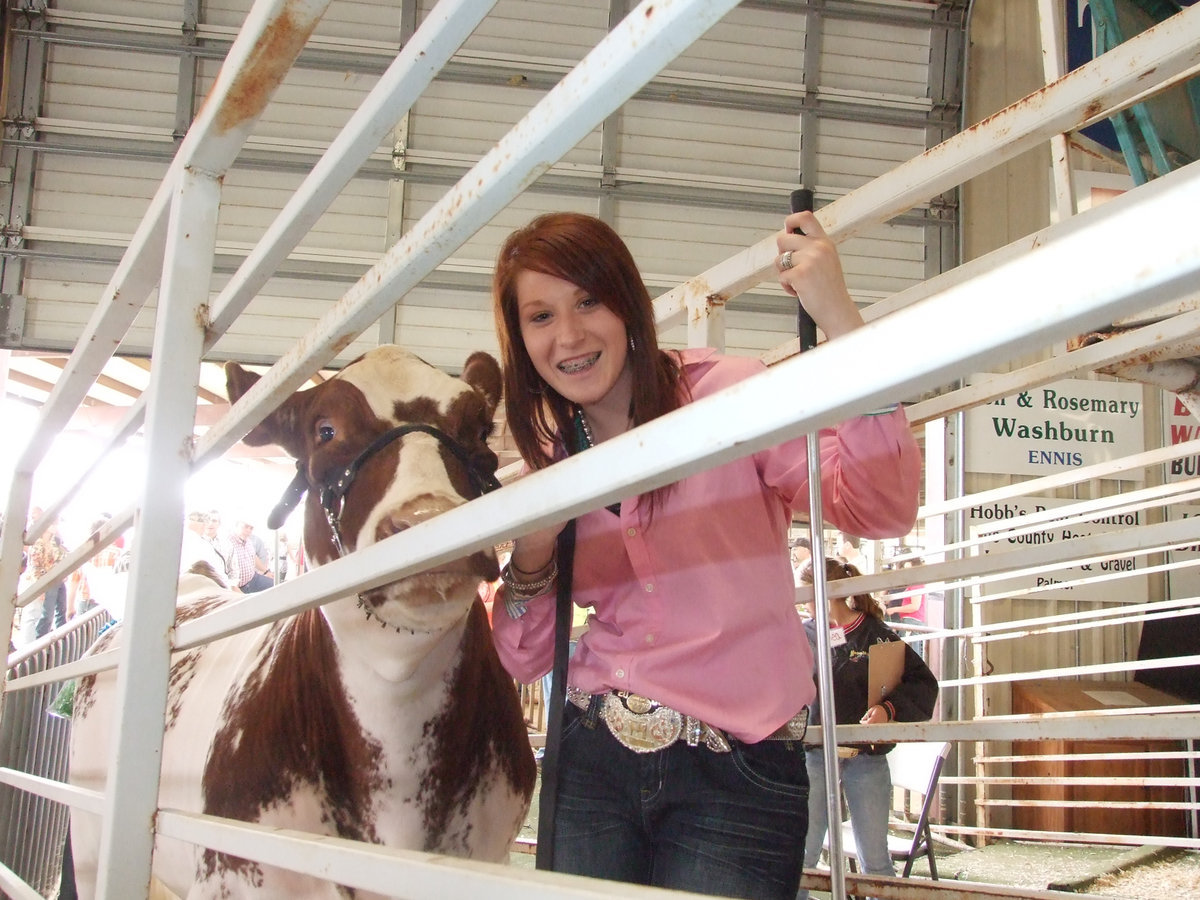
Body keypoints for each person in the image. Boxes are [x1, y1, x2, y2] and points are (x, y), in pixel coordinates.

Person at [487, 211, 921, 899]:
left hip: (739, 763)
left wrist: (841, 321)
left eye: (588, 301)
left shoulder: (730, 395)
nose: (568, 336)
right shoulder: (547, 450)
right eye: (540, 316)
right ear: (521, 338)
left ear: (625, 302)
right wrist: (533, 548)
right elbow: (520, 654)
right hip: (593, 755)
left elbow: (878, 507)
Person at [797, 557, 938, 900]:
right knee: (802, 856)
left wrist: (888, 710)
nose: (801, 602)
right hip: (816, 753)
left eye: (805, 594)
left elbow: (923, 683)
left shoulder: (876, 634)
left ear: (828, 592)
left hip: (865, 756)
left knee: (875, 860)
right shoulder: (804, 634)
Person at [29, 510, 69, 638]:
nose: (56, 526)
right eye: (54, 524)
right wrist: (40, 587)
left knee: (61, 610)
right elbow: (35, 566)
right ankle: (39, 643)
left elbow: (63, 556)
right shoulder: (37, 544)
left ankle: (60, 639)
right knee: (47, 615)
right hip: (47, 582)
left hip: (57, 579)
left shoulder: (55, 542)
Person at [227, 518, 273, 593]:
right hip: (237, 588)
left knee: (276, 586)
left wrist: (266, 572)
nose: (248, 530)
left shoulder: (248, 540)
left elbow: (253, 557)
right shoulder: (227, 542)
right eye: (245, 526)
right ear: (236, 525)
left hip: (253, 579)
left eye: (251, 528)